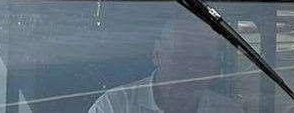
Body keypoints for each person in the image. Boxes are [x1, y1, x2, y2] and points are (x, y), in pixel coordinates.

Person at [88, 16, 243, 113]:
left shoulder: (229, 110)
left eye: (203, 57)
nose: (191, 66)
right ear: (157, 54)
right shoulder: (114, 106)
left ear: (215, 66)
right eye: (181, 54)